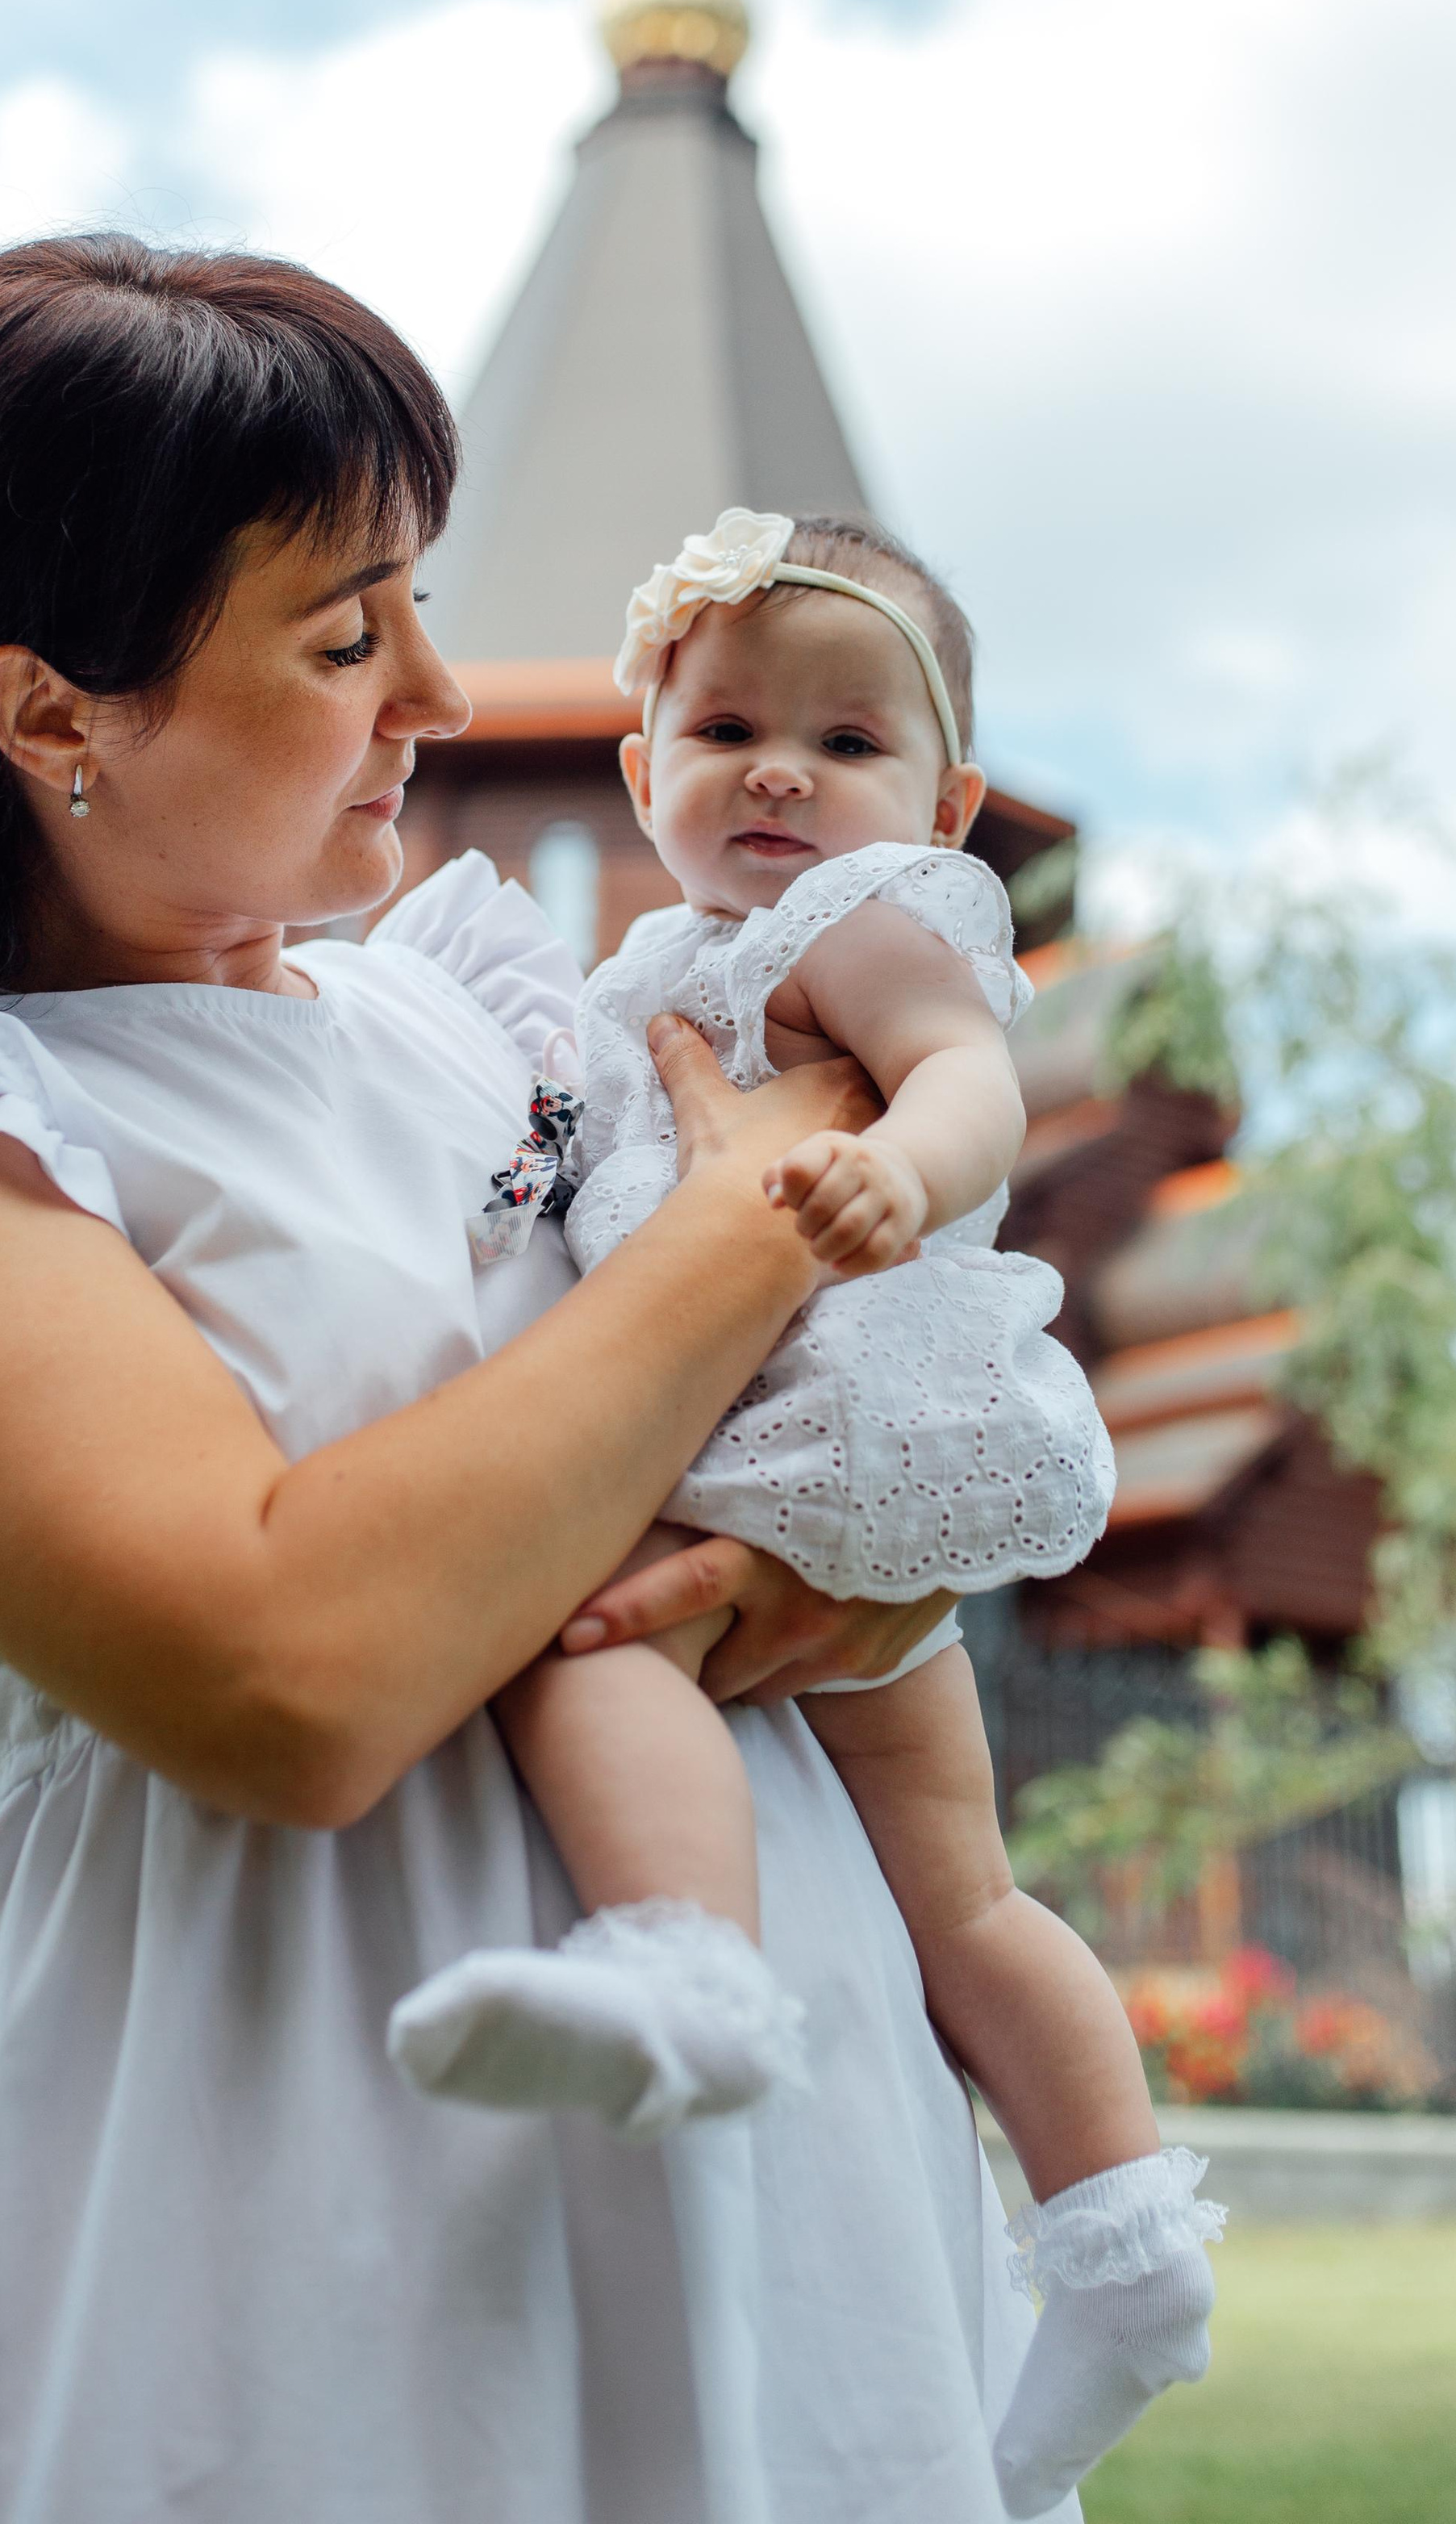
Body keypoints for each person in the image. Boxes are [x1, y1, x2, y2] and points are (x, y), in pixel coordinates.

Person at [0, 240, 1103, 2524]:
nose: (423, 687)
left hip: (776, 2107)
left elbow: (813, 1420)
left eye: (409, 605)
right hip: (271, 2120)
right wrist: (747, 1212)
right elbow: (288, 1667)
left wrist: (847, 1589)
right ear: (51, 714)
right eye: (339, 635)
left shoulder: (471, 1015)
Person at [388, 509, 1222, 2514]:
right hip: (869, 1473)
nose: (782, 771)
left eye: (846, 743)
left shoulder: (848, 926)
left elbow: (968, 1078)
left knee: (591, 1645)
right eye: (729, 724)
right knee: (960, 1890)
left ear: (937, 804)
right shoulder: (642, 979)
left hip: (811, 1423)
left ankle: (684, 1961)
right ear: (637, 771)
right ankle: (1120, 2242)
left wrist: (901, 1179)